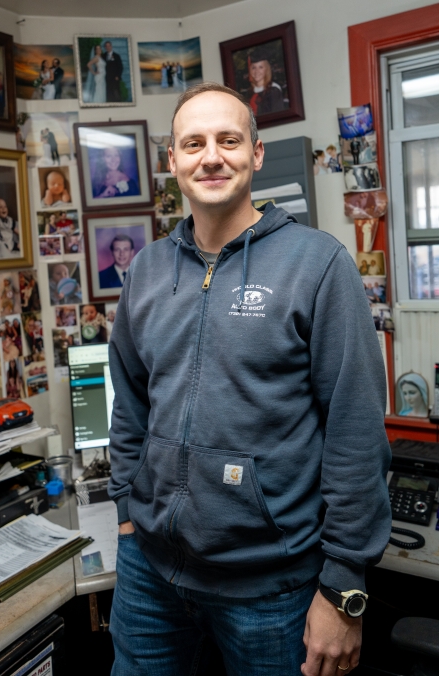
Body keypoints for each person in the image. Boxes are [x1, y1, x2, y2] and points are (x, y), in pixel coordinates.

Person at [107, 82, 391, 675]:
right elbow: (130, 403)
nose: (211, 157)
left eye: (229, 140)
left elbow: (355, 431)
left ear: (256, 153)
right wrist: (127, 513)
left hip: (274, 590)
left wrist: (343, 583)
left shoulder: (318, 264)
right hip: (149, 575)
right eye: (194, 144)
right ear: (173, 161)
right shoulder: (147, 271)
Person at [246, 49, 284, 115]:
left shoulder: (273, 91)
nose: (256, 71)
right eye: (253, 67)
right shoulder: (249, 92)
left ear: (267, 69)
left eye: (261, 67)